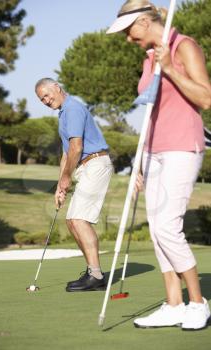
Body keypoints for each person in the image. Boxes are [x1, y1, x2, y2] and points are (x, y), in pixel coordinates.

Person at [106, 0, 211, 330]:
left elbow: (206, 98)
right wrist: (137, 160)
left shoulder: (184, 46)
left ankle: (197, 302)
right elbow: (151, 113)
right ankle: (173, 304)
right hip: (152, 152)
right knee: (156, 229)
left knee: (167, 224)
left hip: (183, 145)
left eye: (128, 32)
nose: (126, 39)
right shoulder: (149, 58)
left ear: (142, 23)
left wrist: (170, 68)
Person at [35, 78, 113, 292]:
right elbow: (66, 153)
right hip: (86, 166)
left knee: (79, 219)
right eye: (42, 99)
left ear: (57, 88)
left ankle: (96, 276)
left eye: (47, 95)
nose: (46, 100)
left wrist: (67, 178)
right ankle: (93, 272)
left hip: (95, 163)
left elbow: (77, 148)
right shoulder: (63, 113)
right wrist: (61, 185)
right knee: (72, 221)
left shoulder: (72, 109)